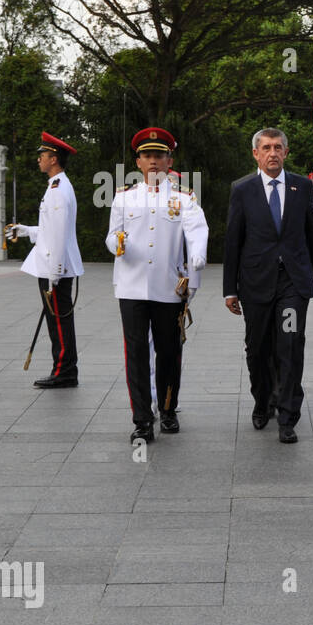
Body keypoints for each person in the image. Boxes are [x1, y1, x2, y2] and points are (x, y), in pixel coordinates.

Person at [223, 127, 313, 443]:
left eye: (278, 147)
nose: (273, 153)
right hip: (256, 283)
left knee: (290, 344)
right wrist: (230, 288)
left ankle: (287, 415)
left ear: (285, 152)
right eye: (266, 148)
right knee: (257, 349)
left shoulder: (302, 187)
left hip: (292, 285)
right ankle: (263, 401)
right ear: (256, 153)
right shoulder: (242, 190)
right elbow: (233, 242)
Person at [105, 128, 209, 442]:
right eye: (147, 155)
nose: (153, 161)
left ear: (169, 160)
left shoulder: (183, 198)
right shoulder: (123, 198)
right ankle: (142, 419)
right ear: (137, 161)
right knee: (135, 354)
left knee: (168, 353)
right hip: (131, 287)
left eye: (159, 156)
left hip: (168, 288)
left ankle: (167, 409)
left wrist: (197, 264)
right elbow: (111, 236)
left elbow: (196, 232)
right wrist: (117, 244)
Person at [7, 132, 83, 389]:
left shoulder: (59, 189)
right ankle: (63, 368)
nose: (39, 159)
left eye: (43, 156)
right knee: (57, 320)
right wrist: (27, 230)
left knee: (59, 321)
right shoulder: (55, 186)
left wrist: (56, 271)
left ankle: (64, 371)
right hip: (53, 264)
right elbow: (51, 229)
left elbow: (60, 233)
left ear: (54, 159)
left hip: (55, 267)